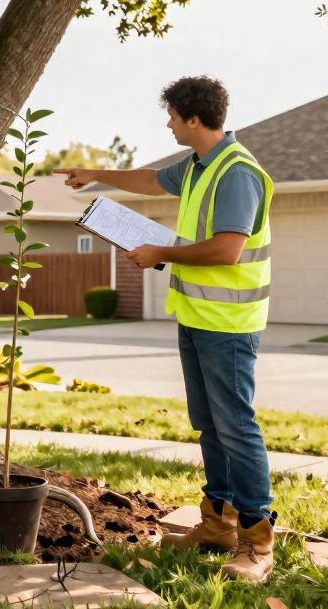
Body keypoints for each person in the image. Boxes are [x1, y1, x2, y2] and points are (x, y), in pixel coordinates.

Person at [53, 76, 277, 583]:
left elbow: (227, 250)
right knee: (210, 424)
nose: (168, 123)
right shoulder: (200, 166)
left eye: (172, 116)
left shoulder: (237, 173)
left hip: (229, 324)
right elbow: (152, 181)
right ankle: (218, 524)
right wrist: (94, 174)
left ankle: (258, 539)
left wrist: (161, 253)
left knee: (236, 427)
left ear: (193, 118)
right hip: (198, 317)